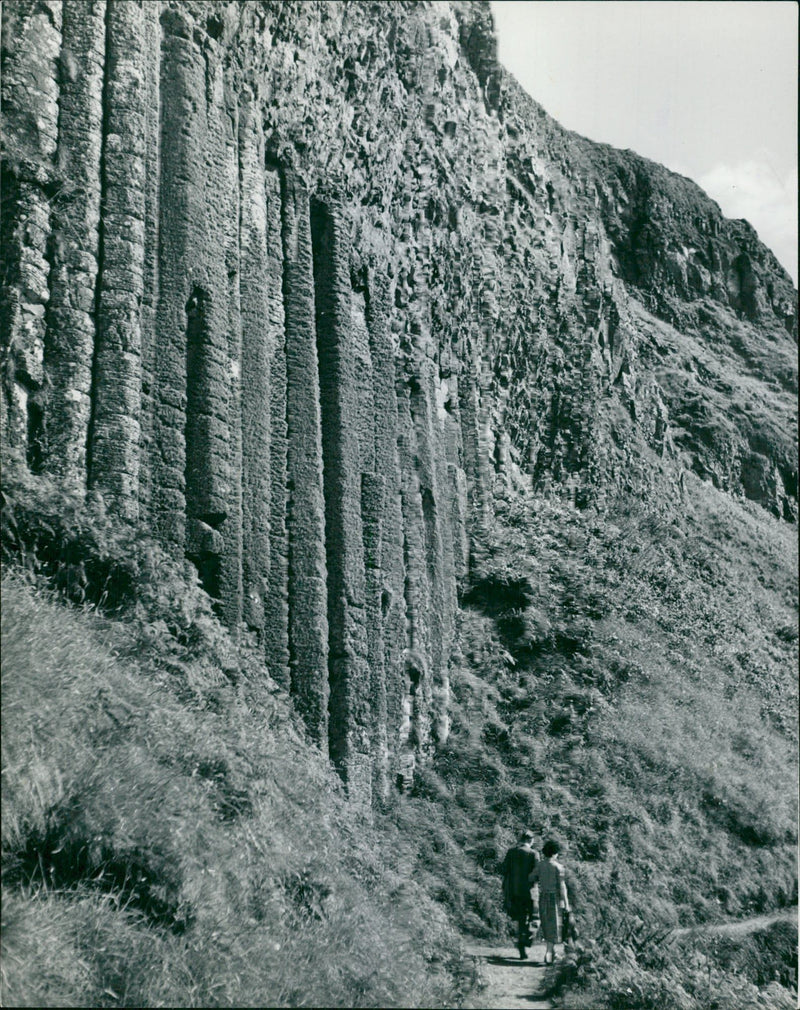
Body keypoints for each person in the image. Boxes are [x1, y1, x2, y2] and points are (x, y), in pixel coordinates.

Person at [501, 829, 539, 959]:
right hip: (530, 892)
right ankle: (527, 940)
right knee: (534, 919)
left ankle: (522, 948)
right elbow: (536, 874)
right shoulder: (534, 854)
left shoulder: (511, 852)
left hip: (514, 892)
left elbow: (504, 869)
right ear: (530, 840)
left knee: (521, 920)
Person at [531, 838, 570, 964]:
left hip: (543, 897)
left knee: (546, 924)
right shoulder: (558, 867)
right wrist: (566, 903)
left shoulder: (540, 865)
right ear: (555, 853)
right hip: (555, 898)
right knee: (554, 925)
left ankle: (551, 952)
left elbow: (531, 877)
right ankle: (549, 953)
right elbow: (562, 887)